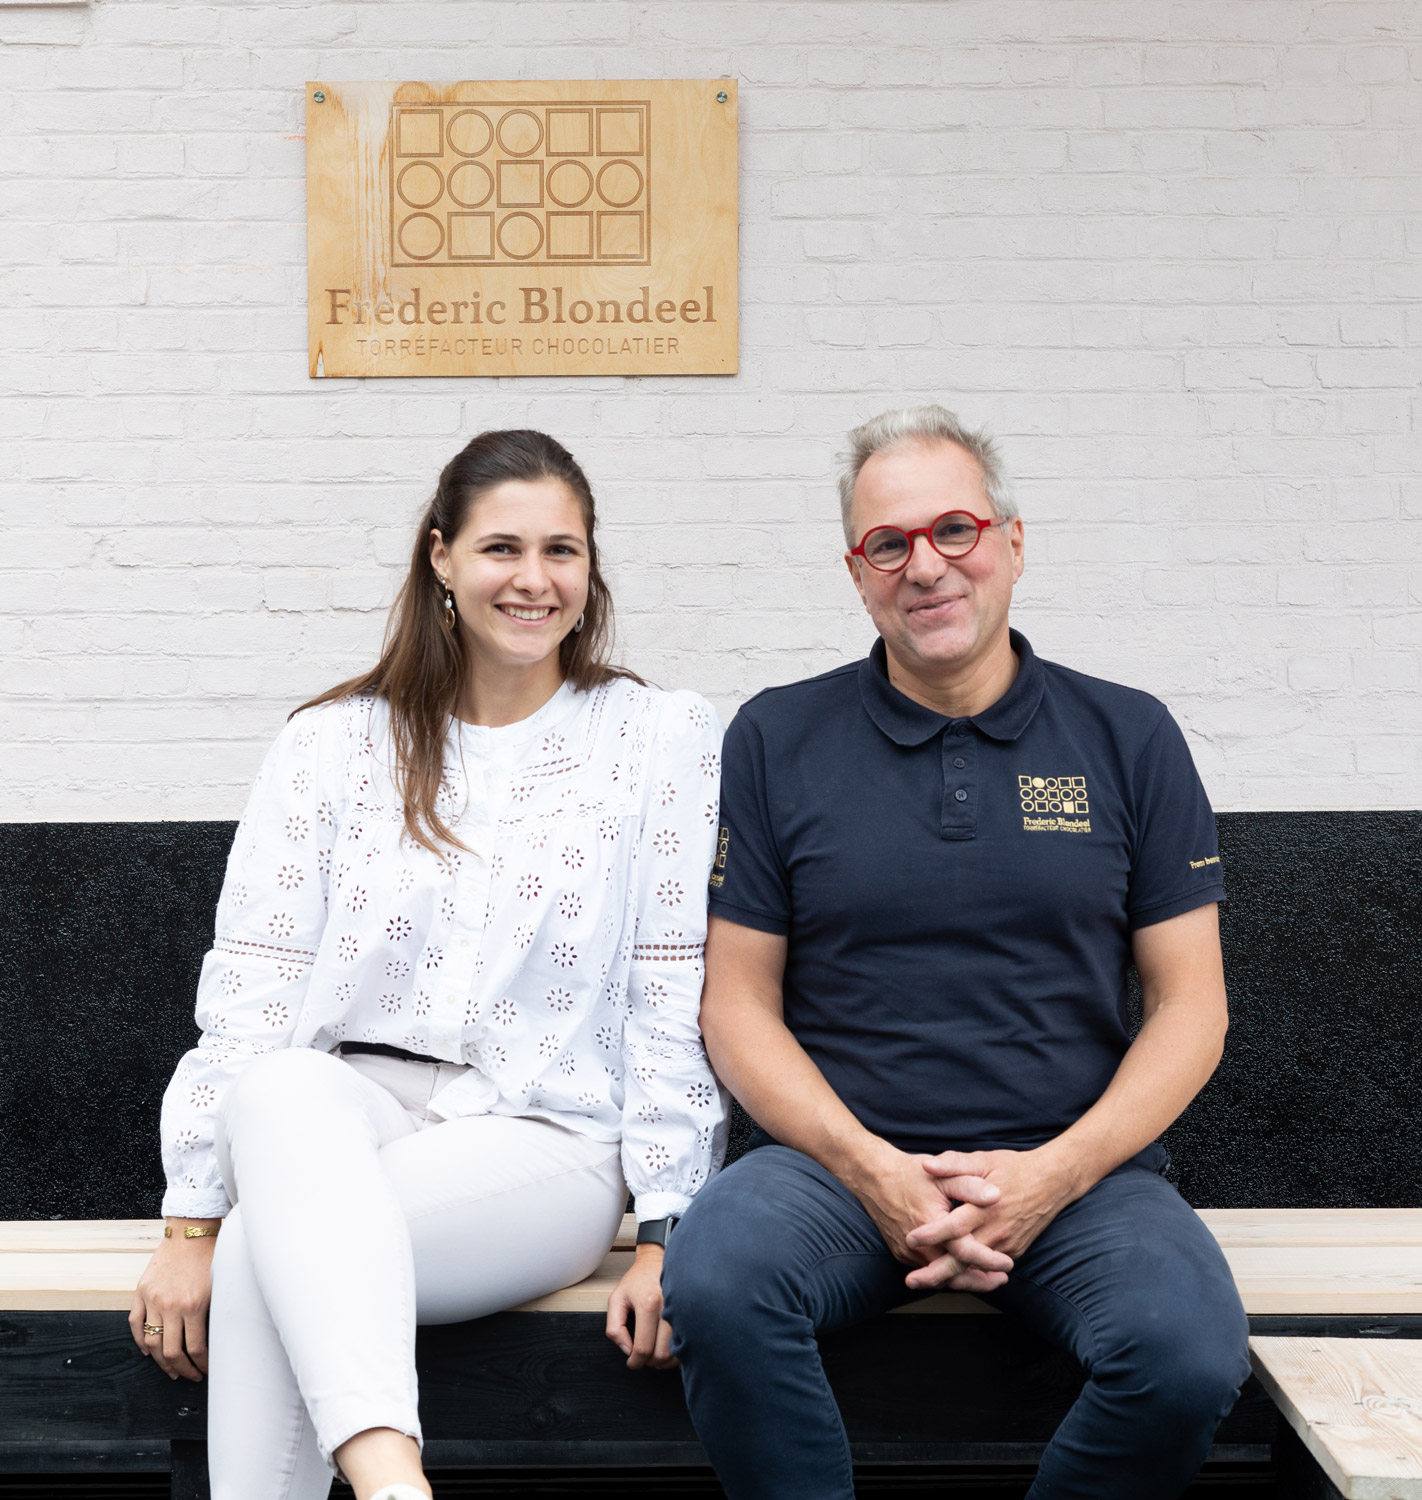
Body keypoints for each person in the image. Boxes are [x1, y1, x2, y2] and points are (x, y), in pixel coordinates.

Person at [660, 405, 1250, 1500]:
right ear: (857, 574)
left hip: (1080, 1181)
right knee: (718, 1280)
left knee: (1184, 1353)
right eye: (889, 544)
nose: (925, 566)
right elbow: (737, 1004)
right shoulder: (776, 738)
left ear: (1012, 544)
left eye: (955, 530)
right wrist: (869, 1168)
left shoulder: (1130, 736)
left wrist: (1052, 1175)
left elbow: (1192, 1009)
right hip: (832, 1180)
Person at [131, 430, 726, 1500]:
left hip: (544, 1139)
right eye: (502, 548)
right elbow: (253, 986)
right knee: (279, 1088)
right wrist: (189, 1223)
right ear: (442, 558)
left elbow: (667, 988)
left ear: (591, 569)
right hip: (342, 1118)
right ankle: (395, 1485)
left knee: (269, 1250)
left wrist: (665, 1230)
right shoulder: (333, 743)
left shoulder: (655, 737)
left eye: (562, 551)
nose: (534, 580)